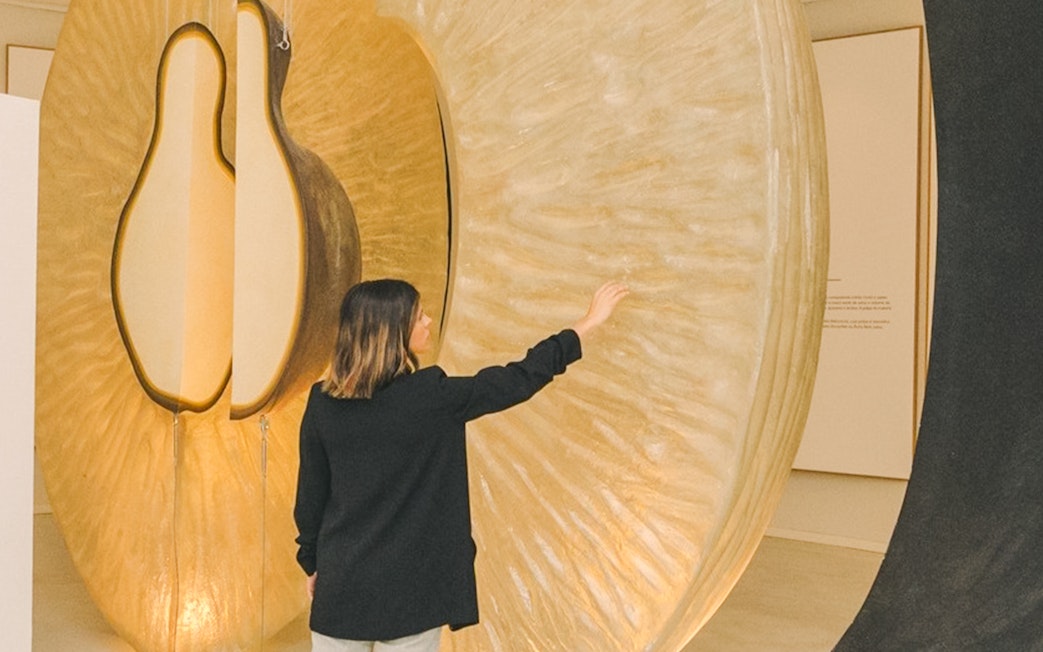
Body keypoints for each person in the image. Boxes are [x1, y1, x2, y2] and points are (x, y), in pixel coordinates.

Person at [294, 279, 628, 652]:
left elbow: (310, 498)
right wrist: (585, 325)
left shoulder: (322, 404)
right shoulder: (432, 398)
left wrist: (313, 562)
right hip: (410, 597)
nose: (428, 321)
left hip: (342, 588)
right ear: (394, 332)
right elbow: (517, 378)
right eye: (419, 316)